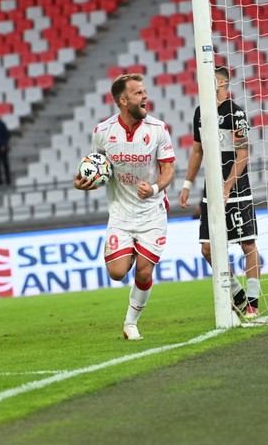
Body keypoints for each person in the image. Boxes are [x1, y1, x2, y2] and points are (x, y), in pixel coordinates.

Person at [73, 74, 176, 340]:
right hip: (120, 212)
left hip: (152, 211)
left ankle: (131, 323)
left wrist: (154, 188)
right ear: (123, 100)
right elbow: (98, 169)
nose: (145, 97)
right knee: (117, 273)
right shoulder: (103, 132)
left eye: (144, 92)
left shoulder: (158, 129)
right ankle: (129, 250)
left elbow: (168, 170)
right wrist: (86, 182)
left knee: (144, 270)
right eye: (138, 93)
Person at [178, 66, 262, 318]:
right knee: (207, 249)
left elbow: (243, 155)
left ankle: (253, 303)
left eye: (211, 79)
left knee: (247, 244)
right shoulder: (200, 113)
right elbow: (197, 151)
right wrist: (187, 184)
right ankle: (238, 294)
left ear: (223, 82)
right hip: (210, 190)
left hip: (236, 188)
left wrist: (227, 186)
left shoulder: (236, 114)